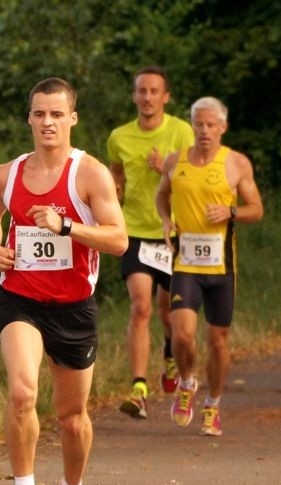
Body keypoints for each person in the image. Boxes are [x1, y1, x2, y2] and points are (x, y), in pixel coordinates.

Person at [0, 77, 127, 485]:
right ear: (29, 118)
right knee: (22, 391)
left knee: (71, 416)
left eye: (56, 114)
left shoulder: (90, 174)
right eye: (39, 114)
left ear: (72, 119)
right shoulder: (8, 174)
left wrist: (67, 226)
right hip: (20, 299)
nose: (47, 122)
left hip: (73, 308)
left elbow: (118, 239)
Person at [155, 96, 263, 436]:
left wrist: (231, 212)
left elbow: (256, 208)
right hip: (185, 264)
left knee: (218, 340)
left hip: (221, 269)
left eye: (210, 125)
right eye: (198, 124)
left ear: (222, 128)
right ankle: (187, 383)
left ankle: (213, 405)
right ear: (192, 126)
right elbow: (162, 195)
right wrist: (165, 221)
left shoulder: (236, 164)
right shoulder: (176, 161)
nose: (204, 130)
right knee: (182, 335)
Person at [107, 66, 195, 419]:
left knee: (170, 313)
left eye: (154, 91)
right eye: (141, 91)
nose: (147, 97)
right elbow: (116, 171)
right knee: (141, 308)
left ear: (165, 97)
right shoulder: (119, 136)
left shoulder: (182, 131)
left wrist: (167, 170)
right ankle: (139, 387)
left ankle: (171, 359)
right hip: (135, 233)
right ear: (134, 96)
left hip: (175, 234)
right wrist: (114, 189)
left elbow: (196, 180)